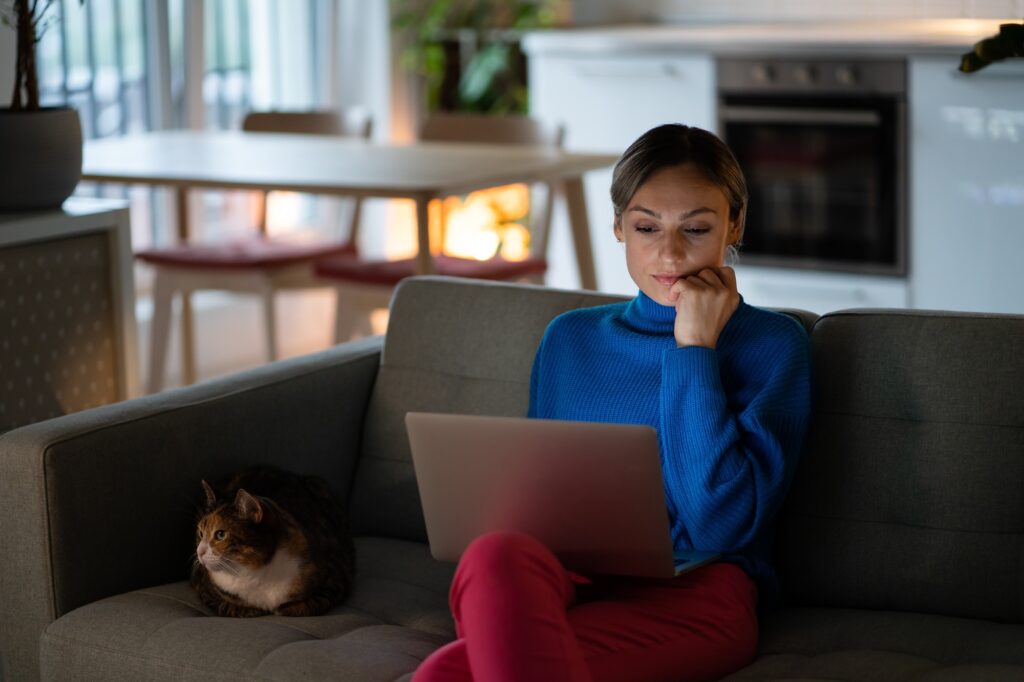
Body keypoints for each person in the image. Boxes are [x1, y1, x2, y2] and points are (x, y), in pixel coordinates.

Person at [413, 124, 812, 682]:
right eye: (647, 227)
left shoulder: (775, 345)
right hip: (572, 580)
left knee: (443, 676)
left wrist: (693, 348)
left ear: (734, 223)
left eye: (695, 228)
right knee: (494, 553)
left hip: (698, 595)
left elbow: (720, 526)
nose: (669, 253)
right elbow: (537, 502)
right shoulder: (569, 338)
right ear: (619, 225)